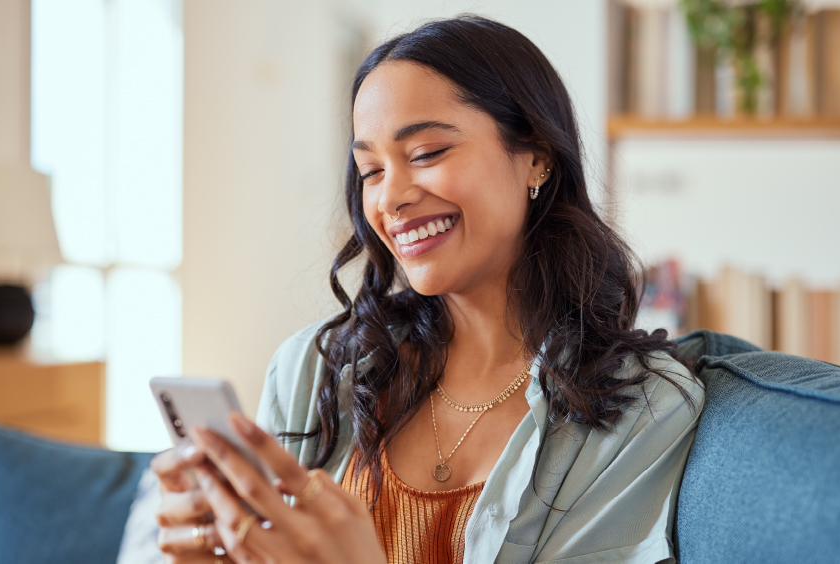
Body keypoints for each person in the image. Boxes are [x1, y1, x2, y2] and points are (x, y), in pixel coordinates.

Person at [151, 15, 704, 564]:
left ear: (537, 156)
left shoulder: (641, 408)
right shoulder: (316, 369)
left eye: (426, 154)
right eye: (370, 171)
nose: (390, 199)